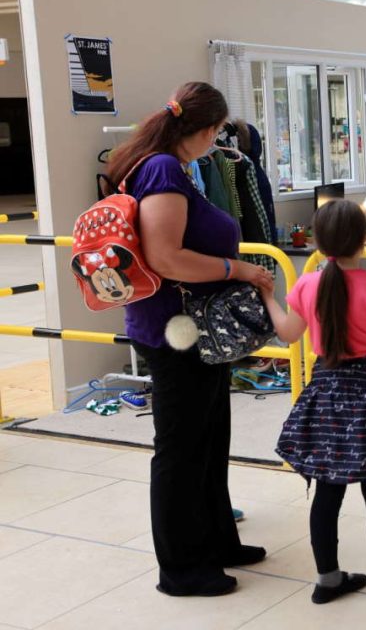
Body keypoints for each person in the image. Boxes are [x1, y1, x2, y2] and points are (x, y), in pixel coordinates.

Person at [105, 82, 275, 597]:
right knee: (180, 448)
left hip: (194, 326)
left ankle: (217, 539)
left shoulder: (168, 166)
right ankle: (180, 569)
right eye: (218, 132)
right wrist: (238, 268)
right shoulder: (160, 169)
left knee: (210, 435)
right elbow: (166, 257)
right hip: (173, 329)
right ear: (205, 129)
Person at [259, 199, 366, 606]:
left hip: (326, 396)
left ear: (320, 242)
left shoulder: (307, 285)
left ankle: (329, 579)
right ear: (364, 240)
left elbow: (287, 334)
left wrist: (269, 295)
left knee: (327, 492)